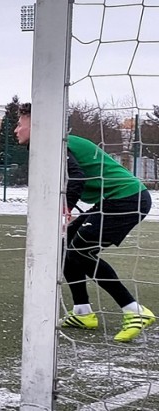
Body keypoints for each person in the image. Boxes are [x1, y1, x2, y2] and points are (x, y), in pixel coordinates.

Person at [15, 102, 155, 342]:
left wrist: (64, 210)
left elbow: (77, 178)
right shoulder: (56, 143)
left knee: (81, 252)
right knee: (67, 244)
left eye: (20, 124)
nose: (16, 129)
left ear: (37, 123)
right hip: (113, 200)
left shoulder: (55, 143)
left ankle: (134, 310)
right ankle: (82, 312)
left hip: (127, 200)